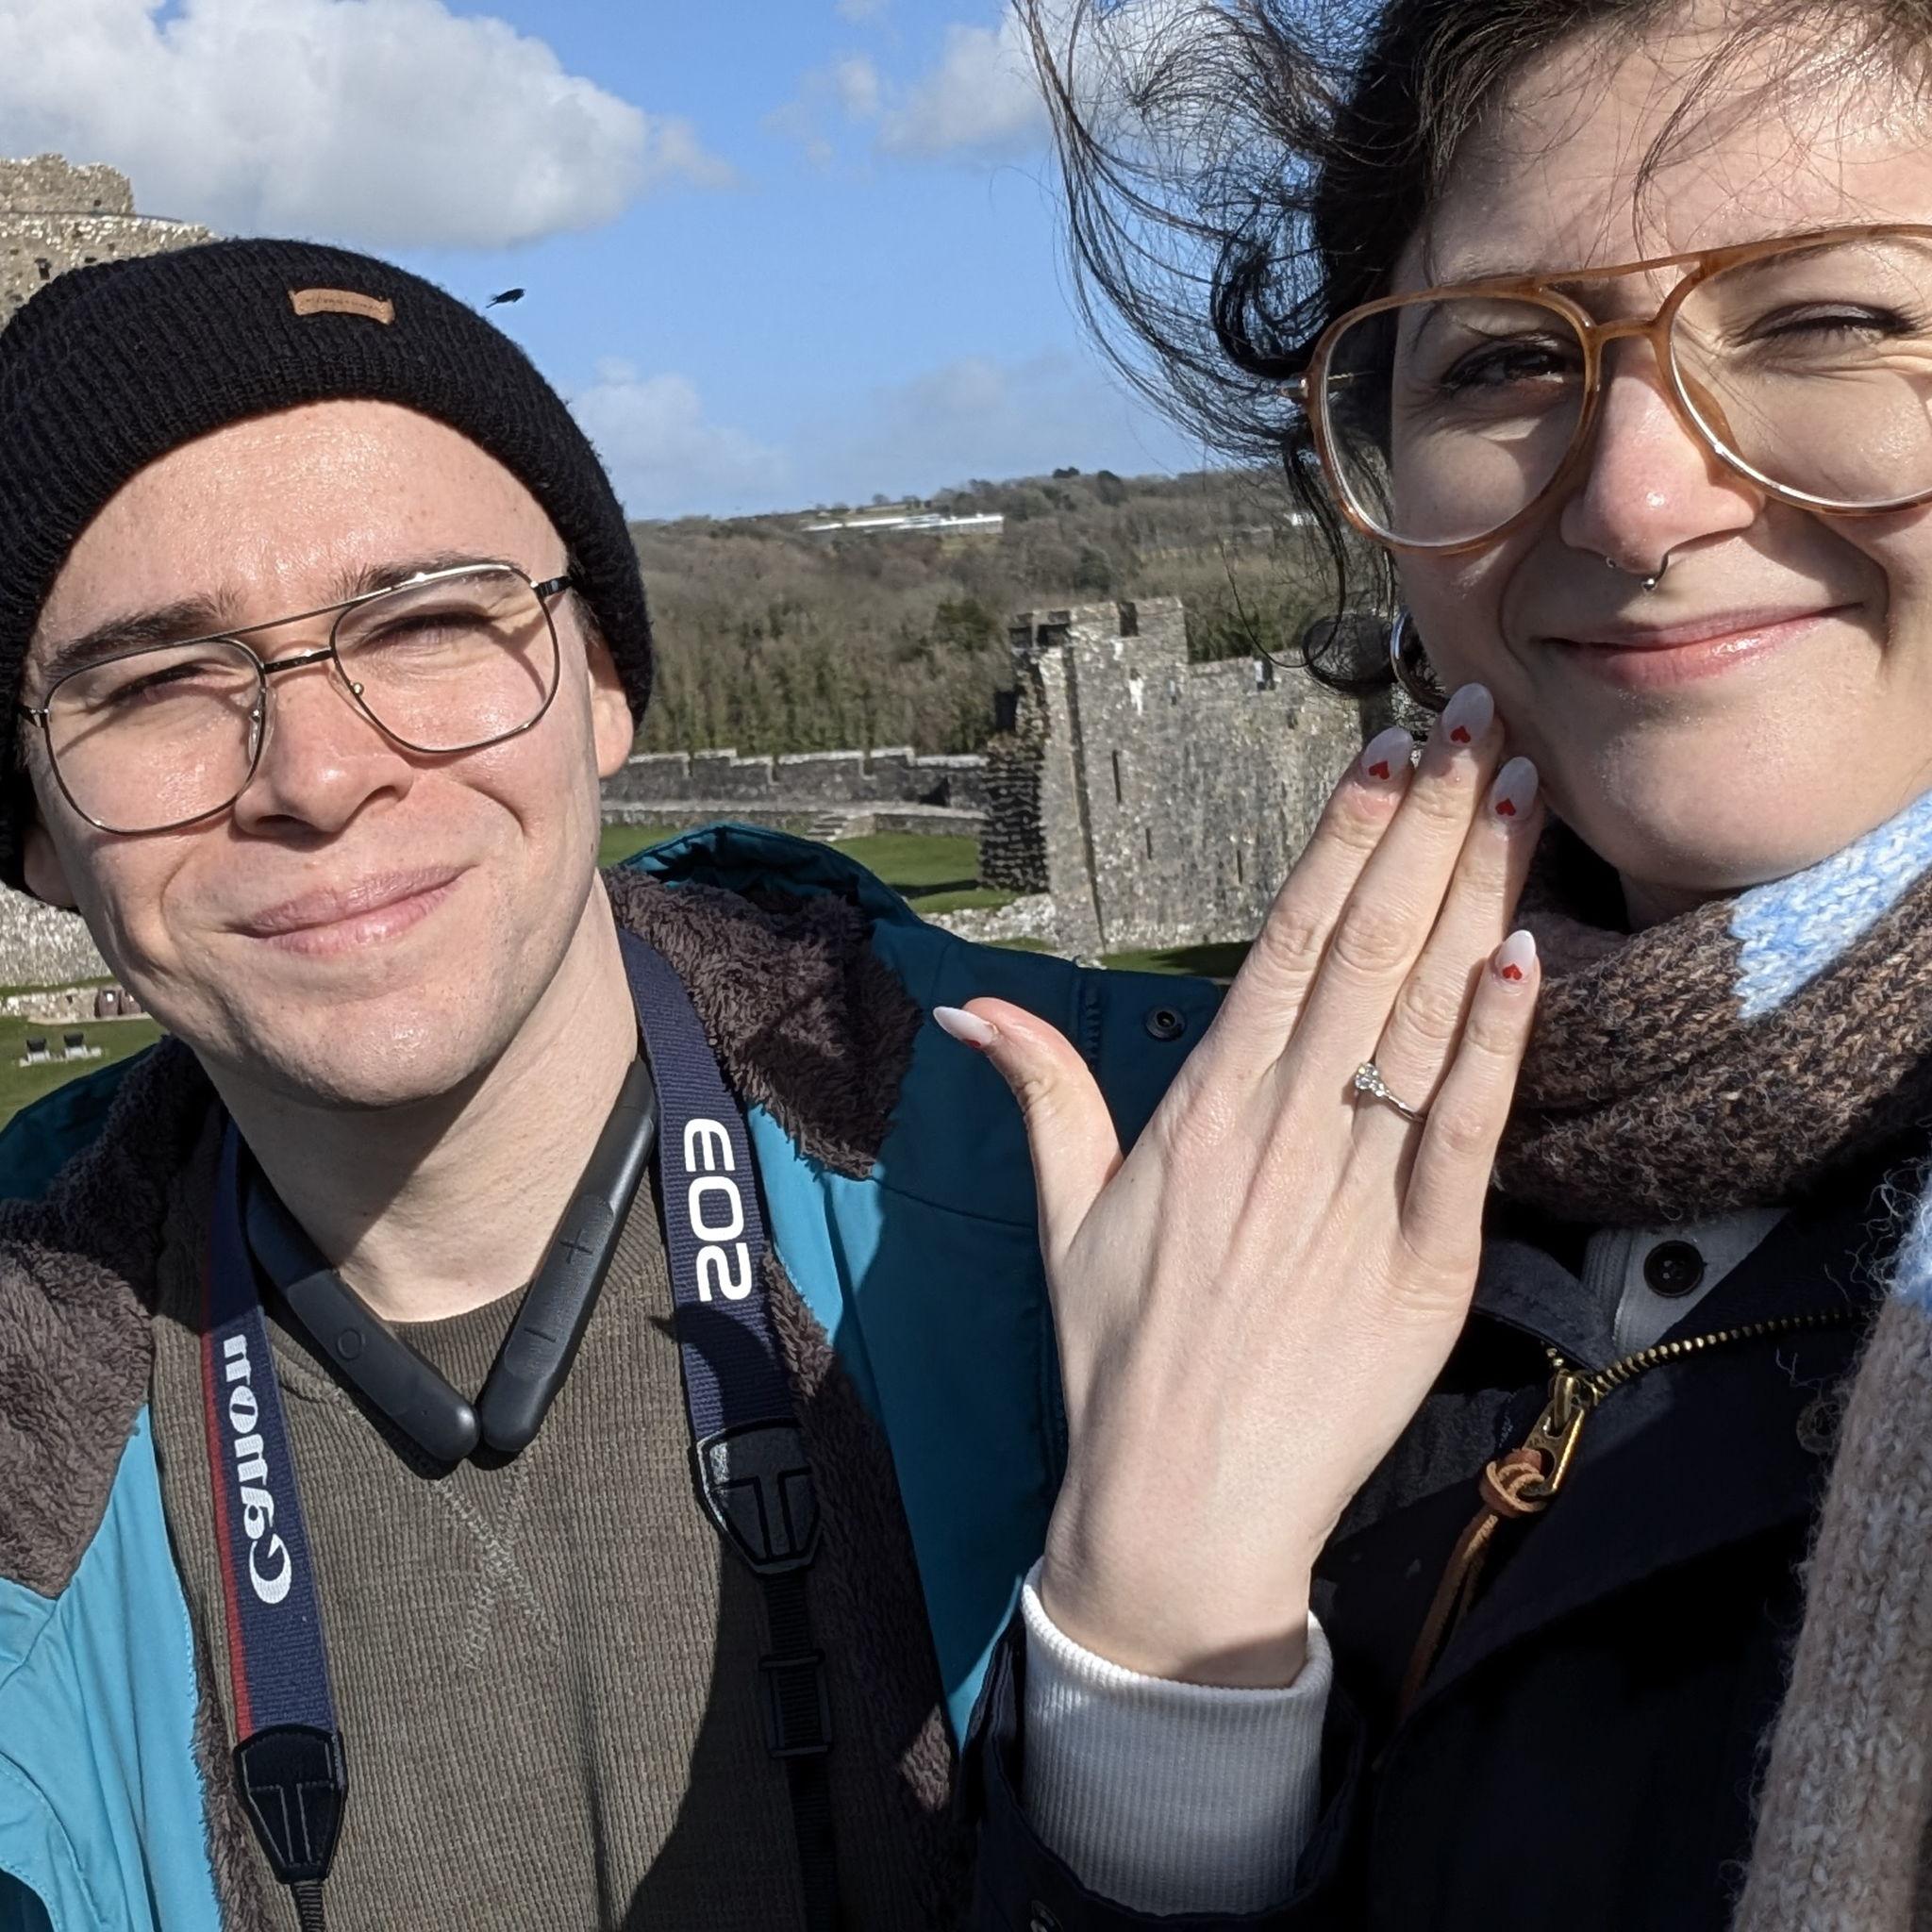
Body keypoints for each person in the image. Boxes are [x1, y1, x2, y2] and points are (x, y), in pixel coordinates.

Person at [0, 238, 1328, 1931]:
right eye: (157, 687)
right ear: (35, 828)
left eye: (423, 625)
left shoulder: (1208, 1196)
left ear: (607, 685)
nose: (320, 775)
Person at [949, 0, 1932, 1925]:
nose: (1640, 497)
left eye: (1828, 321)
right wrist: (1158, 1657)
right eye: (1502, 358)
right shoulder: (1274, 1189)